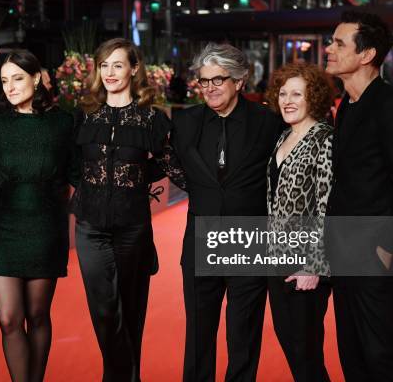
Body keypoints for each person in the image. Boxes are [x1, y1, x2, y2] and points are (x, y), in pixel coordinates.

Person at [168, 42, 283, 381]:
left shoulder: (268, 122)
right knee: (199, 335)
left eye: (218, 80)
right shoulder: (185, 121)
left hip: (248, 237)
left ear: (239, 81)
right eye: (204, 81)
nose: (210, 88)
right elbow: (165, 163)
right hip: (200, 238)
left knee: (242, 336)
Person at [72, 38, 185, 382]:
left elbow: (172, 165)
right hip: (90, 227)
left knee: (132, 311)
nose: (109, 72)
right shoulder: (85, 114)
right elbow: (73, 165)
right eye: (103, 65)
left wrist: (136, 178)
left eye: (117, 65)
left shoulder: (151, 118)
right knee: (105, 310)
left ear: (134, 69)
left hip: (133, 228)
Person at [324, 10, 393, 381]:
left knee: (380, 355)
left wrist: (389, 247)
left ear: (366, 55)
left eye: (339, 43)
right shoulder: (347, 107)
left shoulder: (391, 106)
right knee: (351, 354)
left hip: (375, 256)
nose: (328, 49)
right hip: (344, 251)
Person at [0, 50, 78, 382]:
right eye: (4, 80)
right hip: (4, 228)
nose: (10, 87)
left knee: (37, 315)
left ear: (36, 78)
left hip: (46, 227)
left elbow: (78, 173)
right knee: (9, 319)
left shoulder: (64, 122)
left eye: (17, 78)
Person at [264, 63, 335, 382]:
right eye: (282, 93)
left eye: (297, 94)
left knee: (305, 351)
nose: (287, 100)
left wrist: (316, 266)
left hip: (306, 263)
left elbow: (327, 204)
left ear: (314, 99)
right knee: (290, 343)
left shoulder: (324, 139)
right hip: (277, 258)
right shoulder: (282, 137)